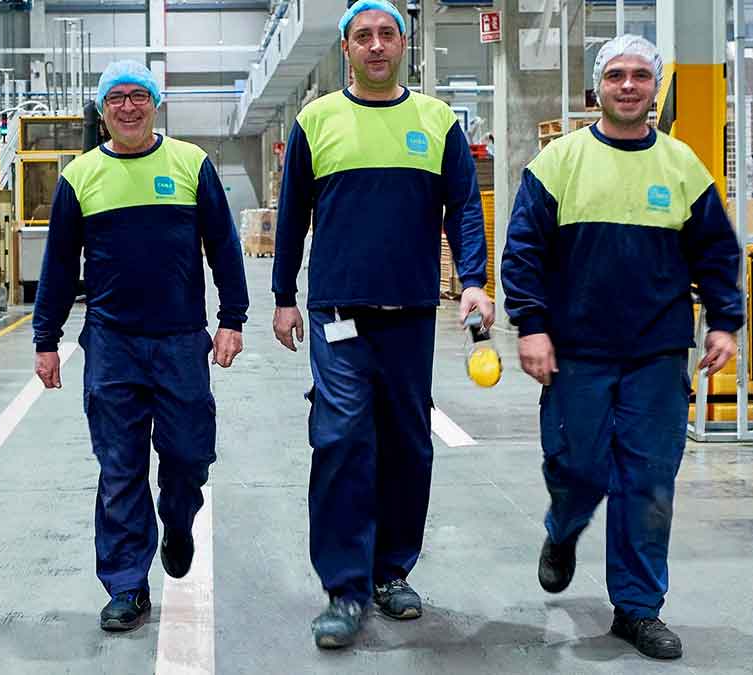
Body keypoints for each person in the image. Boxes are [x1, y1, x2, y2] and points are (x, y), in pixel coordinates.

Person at [501, 35, 742, 661]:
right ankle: (563, 527)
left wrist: (724, 321)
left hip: (655, 356)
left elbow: (715, 252)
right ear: (597, 88)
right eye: (616, 76)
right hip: (576, 352)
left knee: (648, 483)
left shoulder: (684, 166)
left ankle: (637, 608)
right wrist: (530, 325)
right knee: (577, 467)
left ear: (654, 86)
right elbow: (524, 251)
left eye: (639, 75)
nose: (628, 86)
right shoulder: (560, 162)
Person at [272, 0, 492, 649]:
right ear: (347, 48)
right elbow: (291, 216)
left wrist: (475, 279)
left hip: (411, 313)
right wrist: (284, 294)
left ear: (403, 44)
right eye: (362, 36)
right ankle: (344, 587)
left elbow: (464, 208)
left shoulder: (437, 121)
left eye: (385, 34)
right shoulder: (318, 121)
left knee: (407, 443)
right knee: (339, 439)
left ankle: (391, 570)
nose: (374, 45)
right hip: (337, 311)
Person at [32, 60, 250, 633]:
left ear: (155, 103)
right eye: (115, 100)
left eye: (138, 97)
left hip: (181, 342)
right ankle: (127, 584)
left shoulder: (189, 164)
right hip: (111, 344)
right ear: (102, 112)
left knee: (187, 458)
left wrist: (232, 319)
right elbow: (58, 266)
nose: (127, 107)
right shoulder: (80, 177)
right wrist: (46, 339)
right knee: (119, 469)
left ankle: (178, 520)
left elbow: (224, 248)